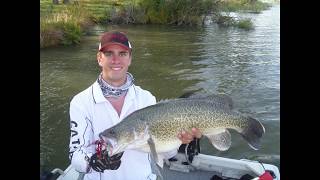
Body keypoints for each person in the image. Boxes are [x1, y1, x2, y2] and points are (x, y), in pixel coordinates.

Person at [68, 31, 202, 180]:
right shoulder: (81, 102)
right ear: (99, 58)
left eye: (122, 53)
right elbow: (75, 155)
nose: (116, 60)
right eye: (109, 53)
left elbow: (166, 153)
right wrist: (93, 162)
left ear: (130, 59)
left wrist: (181, 140)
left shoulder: (146, 98)